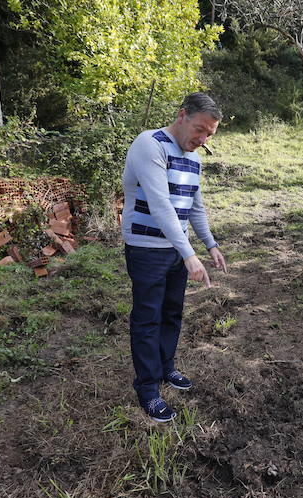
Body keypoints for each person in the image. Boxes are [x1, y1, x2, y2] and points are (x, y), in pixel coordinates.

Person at [122, 92, 227, 423]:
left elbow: (194, 206)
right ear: (182, 115)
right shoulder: (149, 144)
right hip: (146, 248)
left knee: (172, 314)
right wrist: (189, 254)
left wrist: (209, 245)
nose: (203, 139)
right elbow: (160, 204)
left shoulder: (194, 158)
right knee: (147, 318)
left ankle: (166, 368)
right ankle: (148, 389)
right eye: (199, 130)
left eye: (209, 134)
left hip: (176, 250)